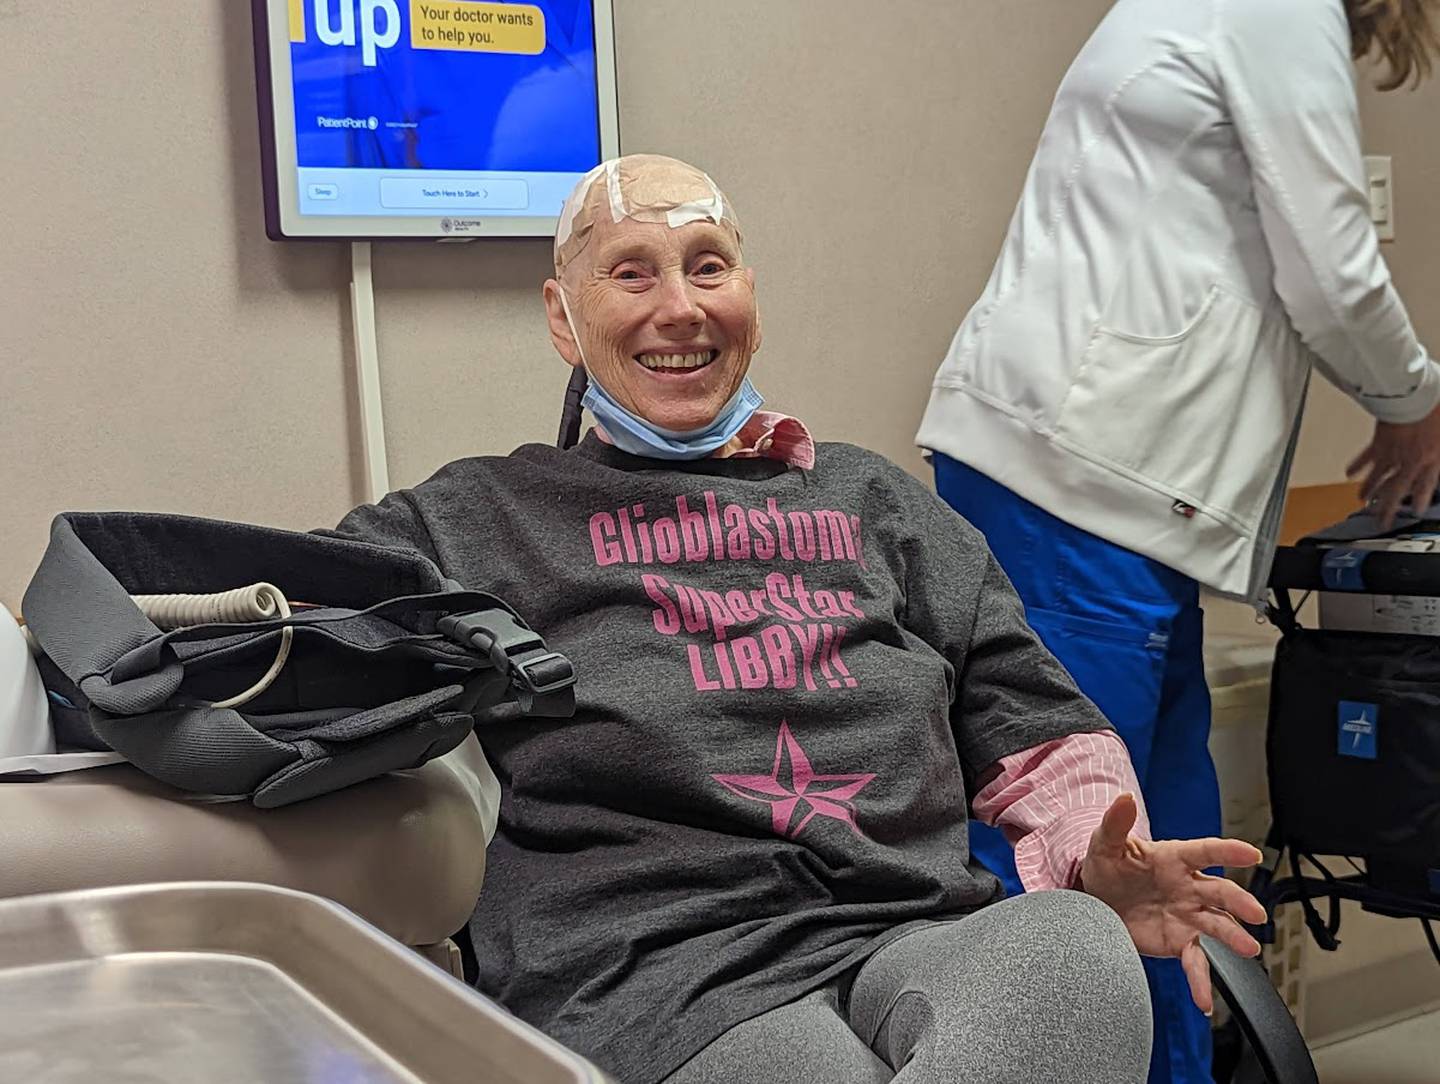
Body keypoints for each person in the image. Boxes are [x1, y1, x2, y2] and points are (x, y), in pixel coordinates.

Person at [329, 154, 1267, 1083]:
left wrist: (1103, 865)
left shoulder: (875, 503)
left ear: (751, 297)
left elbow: (1034, 721)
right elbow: (268, 629)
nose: (681, 308)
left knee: (1069, 949)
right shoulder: (473, 521)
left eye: (708, 266)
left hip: (918, 930)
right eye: (630, 272)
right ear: (562, 319)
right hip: (662, 977)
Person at [915, 1, 1440, 1081]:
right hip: (1086, 482)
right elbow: (1335, 273)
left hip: (1105, 487)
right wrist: (1416, 401)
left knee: (1169, 857)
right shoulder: (1277, 7)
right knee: (1079, 855)